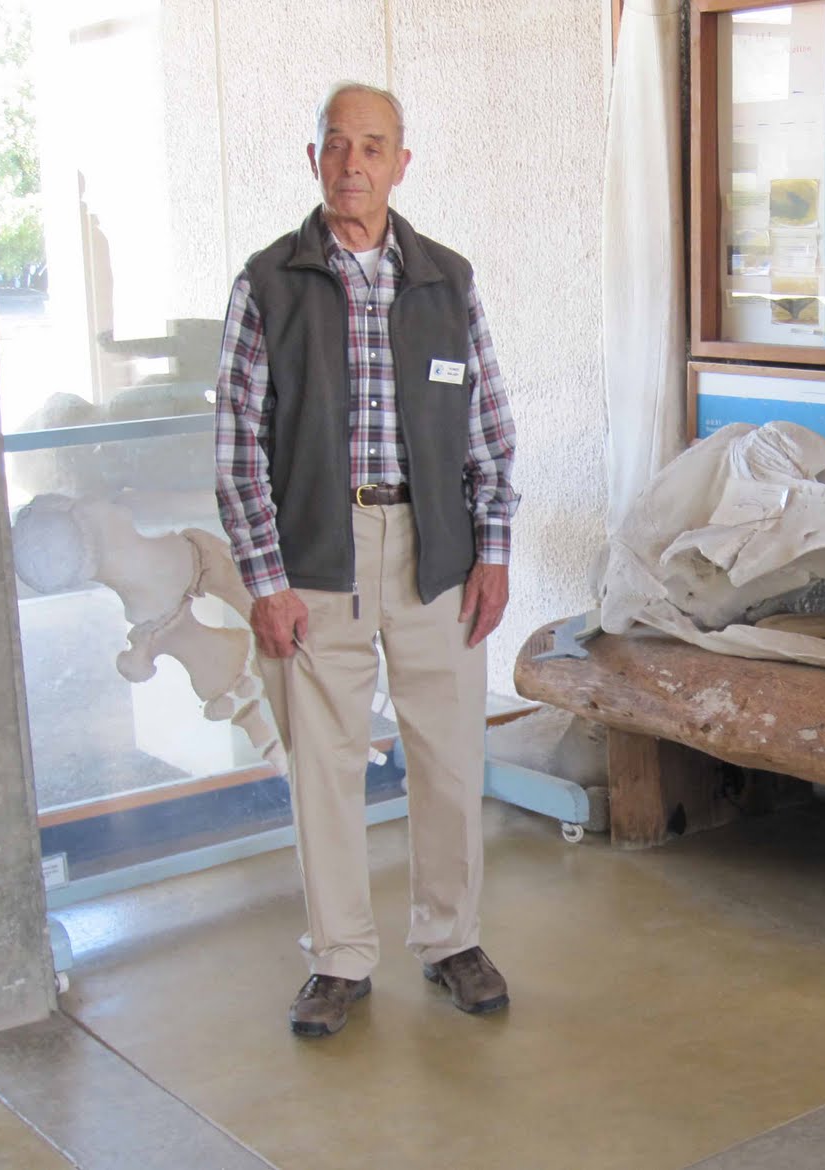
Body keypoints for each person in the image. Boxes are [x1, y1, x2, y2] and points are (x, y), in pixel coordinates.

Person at [214, 81, 518, 1037]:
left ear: (401, 163)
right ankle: (340, 960)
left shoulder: (447, 279)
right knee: (325, 769)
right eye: (336, 145)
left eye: (373, 146)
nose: (354, 163)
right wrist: (264, 580)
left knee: (447, 756)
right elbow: (234, 448)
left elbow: (490, 432)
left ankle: (451, 939)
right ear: (313, 160)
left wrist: (493, 553)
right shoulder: (267, 283)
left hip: (436, 555)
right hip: (315, 559)